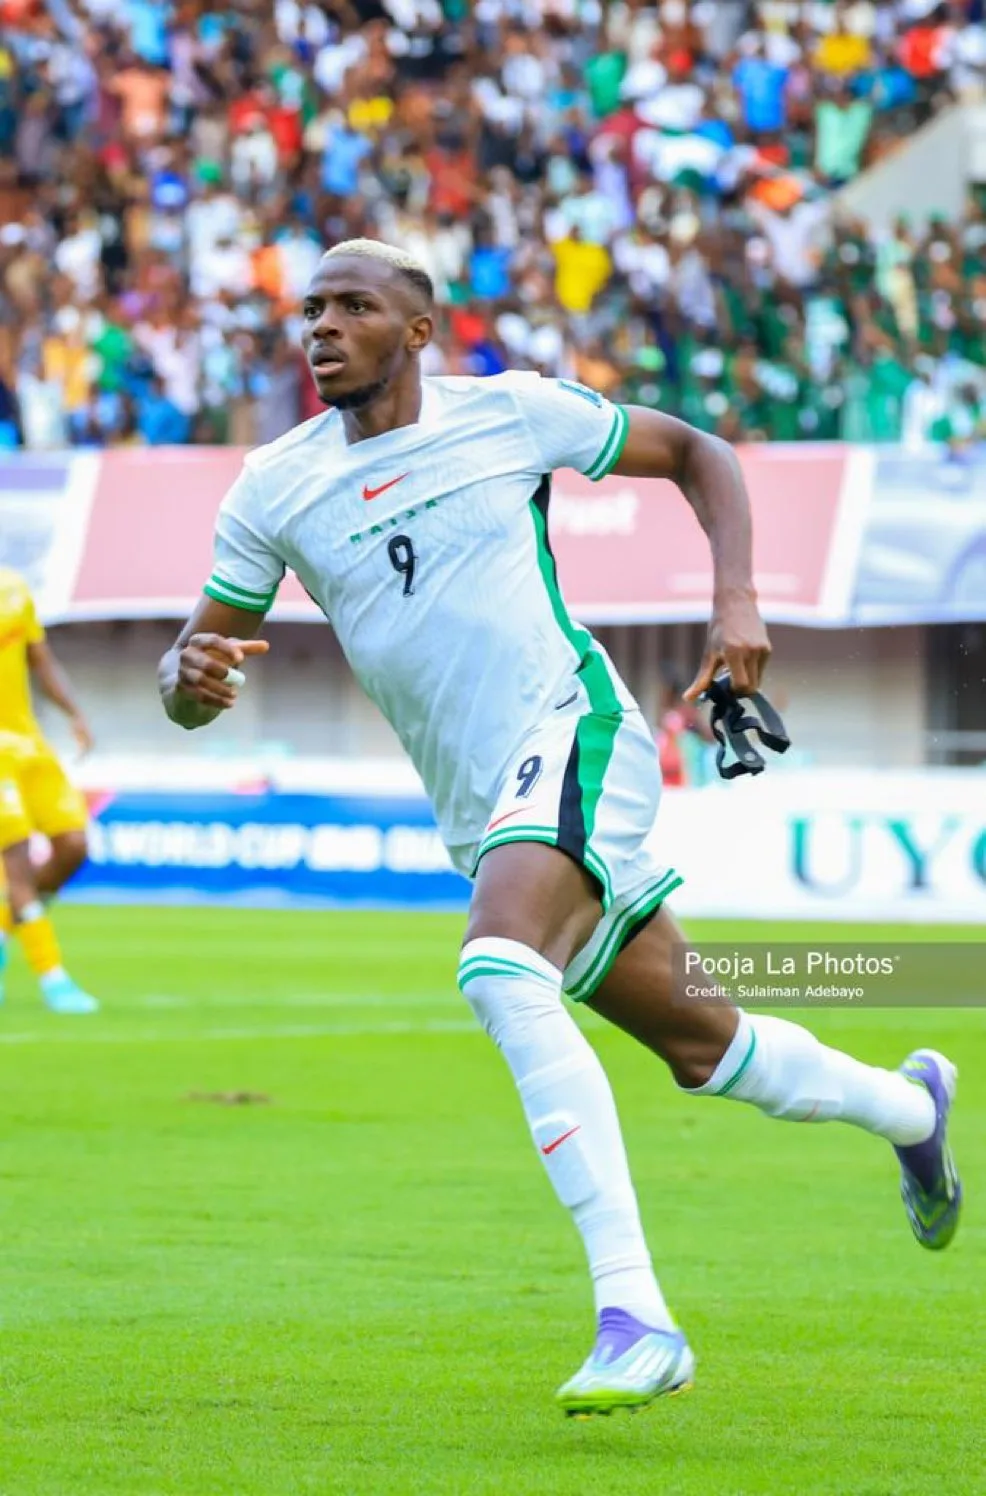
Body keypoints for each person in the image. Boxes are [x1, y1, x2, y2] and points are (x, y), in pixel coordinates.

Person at [158, 241, 962, 1416]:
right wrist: (185, 677)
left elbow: (697, 451)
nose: (320, 326)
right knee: (712, 1049)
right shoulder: (272, 486)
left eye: (352, 306)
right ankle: (911, 1106)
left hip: (573, 726)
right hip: (481, 805)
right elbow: (195, 673)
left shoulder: (508, 415)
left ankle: (635, 1314)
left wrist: (735, 601)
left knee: (497, 963)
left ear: (417, 331)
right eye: (312, 308)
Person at [0, 567, 97, 1014]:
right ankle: (53, 978)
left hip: (27, 743)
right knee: (15, 866)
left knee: (73, 845)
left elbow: (39, 658)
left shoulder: (14, 587)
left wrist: (74, 713)